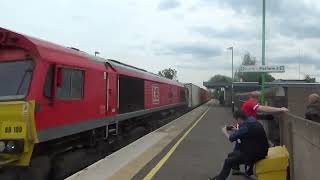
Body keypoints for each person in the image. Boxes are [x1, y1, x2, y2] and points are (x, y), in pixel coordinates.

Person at [231, 91, 288, 176]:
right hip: (246, 129)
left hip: (246, 128)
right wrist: (280, 109)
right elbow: (263, 108)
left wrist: (266, 117)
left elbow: (253, 115)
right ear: (256, 98)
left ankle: (238, 168)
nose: (259, 101)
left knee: (242, 148)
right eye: (259, 99)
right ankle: (243, 169)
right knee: (245, 150)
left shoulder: (248, 104)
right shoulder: (251, 103)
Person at [208, 111, 269, 180]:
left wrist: (224, 132)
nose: (236, 123)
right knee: (231, 155)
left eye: (236, 120)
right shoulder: (251, 120)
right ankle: (237, 169)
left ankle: (219, 179)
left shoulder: (245, 127)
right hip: (260, 150)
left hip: (255, 154)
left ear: (239, 119)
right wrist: (236, 130)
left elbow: (231, 138)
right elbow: (247, 132)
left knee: (228, 161)